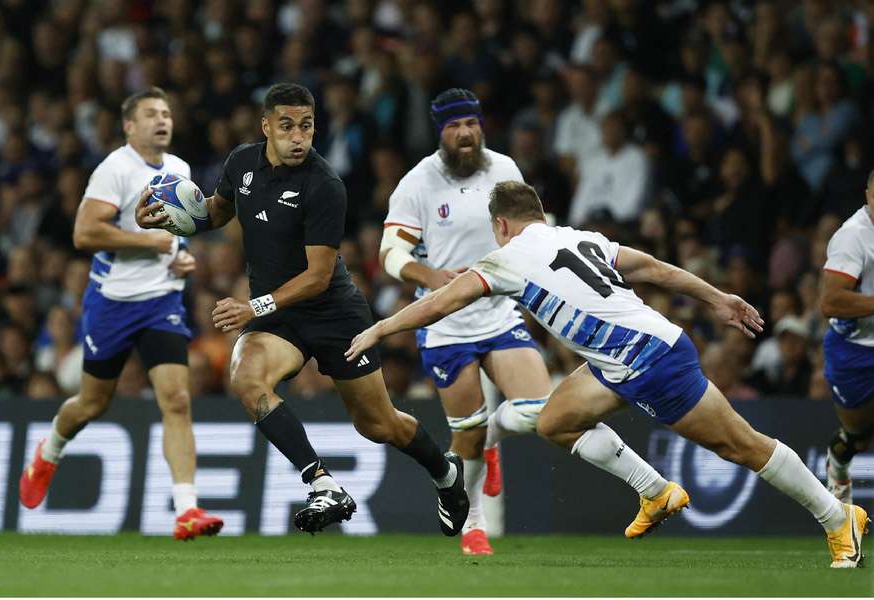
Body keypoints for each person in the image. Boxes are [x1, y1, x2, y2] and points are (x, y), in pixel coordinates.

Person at [348, 180, 870, 569]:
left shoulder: (505, 258)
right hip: (619, 359)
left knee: (741, 446)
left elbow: (441, 303)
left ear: (501, 225)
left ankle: (837, 516)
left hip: (651, 361)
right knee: (555, 421)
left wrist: (380, 329)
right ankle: (655, 490)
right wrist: (716, 297)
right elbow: (656, 270)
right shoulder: (584, 239)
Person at [136, 83, 469, 536]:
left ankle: (445, 472)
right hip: (278, 317)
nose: (298, 137)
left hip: (333, 312)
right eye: (288, 126)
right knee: (247, 377)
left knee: (378, 424)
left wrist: (254, 306)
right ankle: (322, 483)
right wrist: (164, 220)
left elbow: (317, 276)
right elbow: (215, 213)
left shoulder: (325, 185)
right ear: (266, 127)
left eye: (307, 126)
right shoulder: (241, 164)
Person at [380, 88, 673, 556]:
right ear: (441, 132)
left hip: (499, 314)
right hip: (445, 325)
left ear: (481, 126)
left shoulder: (504, 170)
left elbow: (533, 235)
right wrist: (428, 274)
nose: (465, 133)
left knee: (541, 409)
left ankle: (496, 437)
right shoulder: (417, 184)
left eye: (471, 123)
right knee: (466, 433)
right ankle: (474, 526)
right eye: (455, 126)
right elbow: (390, 253)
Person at [19, 87, 224, 541]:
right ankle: (49, 450)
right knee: (93, 403)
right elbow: (84, 233)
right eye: (151, 114)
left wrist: (181, 255)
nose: (162, 120)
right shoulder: (114, 168)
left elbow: (180, 230)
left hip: (162, 300)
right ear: (129, 126)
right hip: (112, 302)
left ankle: (187, 509)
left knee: (177, 398)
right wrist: (149, 242)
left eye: (167, 113)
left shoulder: (179, 169)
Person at [820, 169, 874, 504]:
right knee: (859, 437)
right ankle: (838, 467)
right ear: (868, 195)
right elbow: (831, 302)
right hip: (855, 351)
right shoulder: (853, 237)